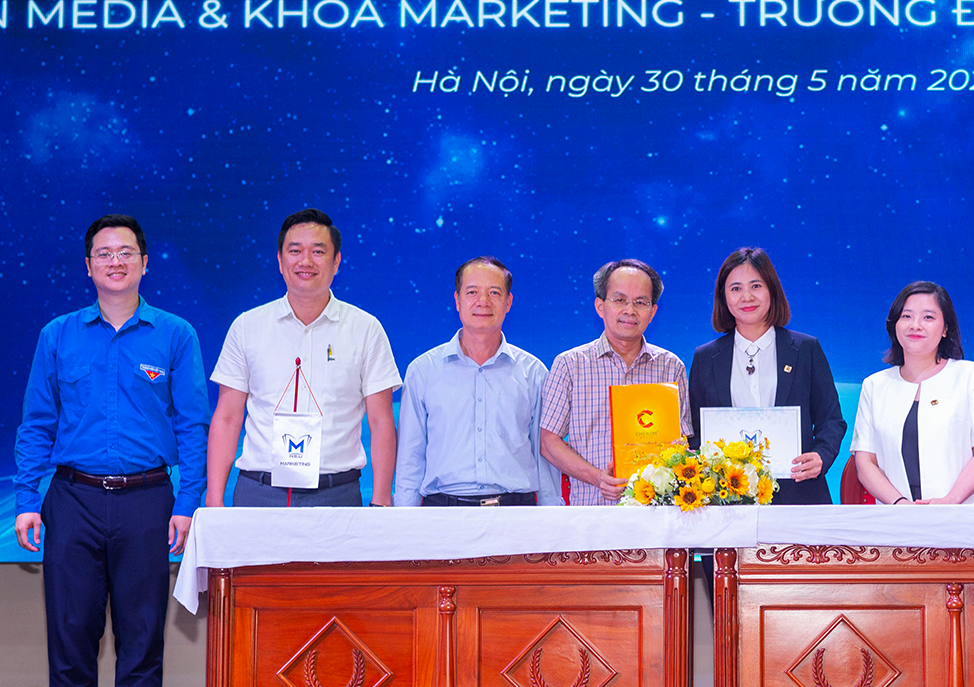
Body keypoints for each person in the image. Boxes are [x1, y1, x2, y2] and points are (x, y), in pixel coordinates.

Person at [13, 214, 208, 687]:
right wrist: (27, 500)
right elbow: (37, 422)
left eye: (127, 252)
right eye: (104, 253)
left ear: (145, 264)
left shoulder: (175, 334)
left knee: (142, 636)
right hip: (70, 499)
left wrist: (188, 503)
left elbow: (194, 424)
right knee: (70, 634)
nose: (115, 261)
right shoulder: (58, 335)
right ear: (89, 266)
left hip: (147, 500)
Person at [204, 208, 401, 509]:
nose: (305, 261)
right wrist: (215, 500)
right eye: (295, 251)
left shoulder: (365, 329)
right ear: (280, 261)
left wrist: (381, 501)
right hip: (259, 494)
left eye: (318, 251)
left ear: (336, 262)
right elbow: (228, 418)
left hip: (337, 494)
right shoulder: (247, 326)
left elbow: (381, 420)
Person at [394, 256, 561, 507]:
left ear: (508, 302)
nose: (483, 301)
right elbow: (410, 456)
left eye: (494, 292)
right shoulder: (423, 370)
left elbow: (545, 453)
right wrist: (403, 519)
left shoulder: (533, 372)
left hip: (517, 513)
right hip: (443, 514)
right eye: (472, 292)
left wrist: (551, 514)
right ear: (457, 300)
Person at [688, 247, 845, 504]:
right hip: (726, 499)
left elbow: (832, 420)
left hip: (798, 492)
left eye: (756, 286)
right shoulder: (706, 357)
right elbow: (694, 429)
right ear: (723, 297)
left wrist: (821, 456)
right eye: (735, 288)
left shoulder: (806, 349)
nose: (746, 296)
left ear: (772, 290)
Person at [540, 258, 691, 505]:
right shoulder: (570, 365)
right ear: (600, 306)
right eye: (619, 300)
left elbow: (681, 444)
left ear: (653, 312)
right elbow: (548, 443)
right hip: (592, 512)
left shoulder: (671, 366)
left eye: (640, 302)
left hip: (657, 514)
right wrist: (599, 478)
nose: (630, 310)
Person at [850, 281, 974, 505]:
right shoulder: (874, 386)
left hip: (960, 516)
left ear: (945, 329)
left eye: (928, 317)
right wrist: (899, 504)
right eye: (906, 316)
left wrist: (950, 500)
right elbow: (864, 462)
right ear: (894, 324)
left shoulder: (971, 376)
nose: (915, 325)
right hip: (895, 520)